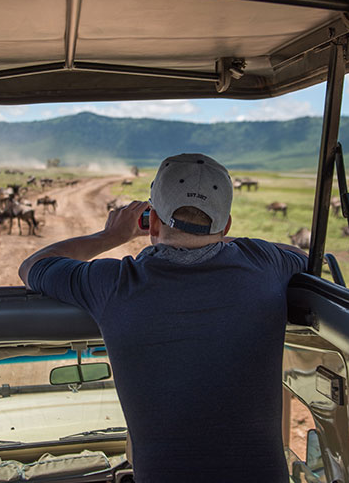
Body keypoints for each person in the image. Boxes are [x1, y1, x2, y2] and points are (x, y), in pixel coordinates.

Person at [19, 153, 307, 482]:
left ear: (152, 221)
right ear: (226, 225)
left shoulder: (114, 284)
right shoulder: (264, 263)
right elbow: (301, 256)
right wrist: (213, 241)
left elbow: (33, 265)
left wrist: (111, 237)